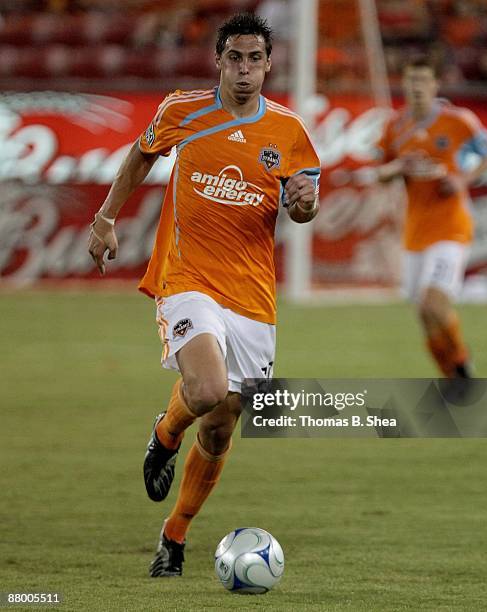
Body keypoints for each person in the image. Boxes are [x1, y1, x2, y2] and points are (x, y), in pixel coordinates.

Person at [87, 13, 320, 577]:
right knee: (208, 387)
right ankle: (164, 434)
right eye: (235, 58)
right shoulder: (181, 111)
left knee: (219, 426)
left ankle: (175, 535)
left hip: (253, 297)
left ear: (269, 64)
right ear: (219, 60)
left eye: (255, 59)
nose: (245, 69)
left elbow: (305, 202)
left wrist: (304, 204)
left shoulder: (288, 131)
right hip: (188, 277)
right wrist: (104, 218)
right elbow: (141, 155)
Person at [373, 55, 487, 377]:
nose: (417, 87)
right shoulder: (395, 127)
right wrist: (398, 168)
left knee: (432, 304)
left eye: (423, 81)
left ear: (435, 84)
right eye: (411, 80)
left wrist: (461, 180)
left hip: (452, 226)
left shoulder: (458, 120)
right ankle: (453, 375)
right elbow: (380, 172)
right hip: (416, 231)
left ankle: (463, 369)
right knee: (424, 315)